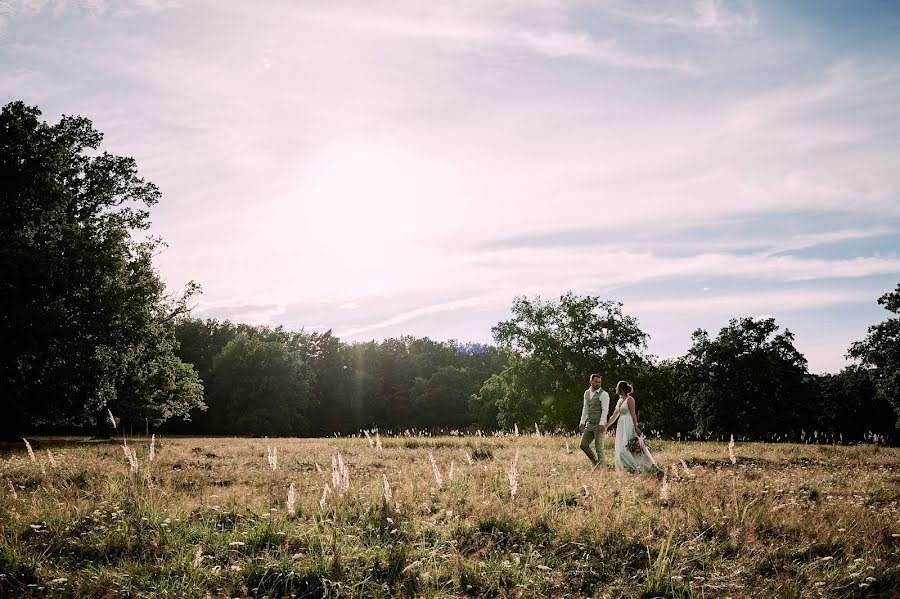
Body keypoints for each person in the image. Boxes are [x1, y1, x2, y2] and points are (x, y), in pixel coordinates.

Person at [606, 380, 661, 474]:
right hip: (621, 425)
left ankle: (644, 467)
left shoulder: (630, 400)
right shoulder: (619, 401)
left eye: (617, 387)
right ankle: (629, 469)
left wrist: (636, 427)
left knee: (628, 448)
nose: (615, 389)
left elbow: (633, 414)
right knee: (621, 450)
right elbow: (614, 415)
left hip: (628, 424)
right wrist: (606, 426)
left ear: (621, 389)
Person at [578, 373, 609, 465]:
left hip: (599, 423)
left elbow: (605, 410)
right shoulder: (587, 393)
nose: (598, 384)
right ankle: (596, 463)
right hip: (589, 423)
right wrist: (582, 422)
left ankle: (602, 468)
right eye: (596, 382)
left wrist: (602, 423)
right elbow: (585, 408)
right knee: (583, 445)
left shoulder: (604, 394)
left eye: (599, 382)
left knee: (599, 448)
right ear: (590, 382)